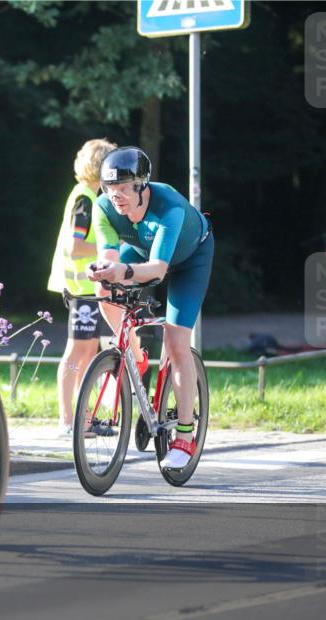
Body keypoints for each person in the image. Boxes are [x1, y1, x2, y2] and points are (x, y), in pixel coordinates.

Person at [88, 146, 214, 469]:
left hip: (189, 260)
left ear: (141, 185)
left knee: (175, 342)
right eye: (109, 189)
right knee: (104, 286)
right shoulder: (102, 207)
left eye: (122, 190)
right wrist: (105, 271)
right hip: (142, 248)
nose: (115, 197)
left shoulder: (168, 205)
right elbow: (111, 259)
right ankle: (134, 355)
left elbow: (158, 269)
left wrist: (125, 273)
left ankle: (185, 435)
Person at [47, 138, 117, 438]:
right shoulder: (85, 199)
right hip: (80, 286)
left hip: (88, 287)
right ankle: (67, 420)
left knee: (89, 350)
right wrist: (110, 246)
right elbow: (76, 248)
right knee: (77, 351)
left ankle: (83, 417)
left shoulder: (88, 195)